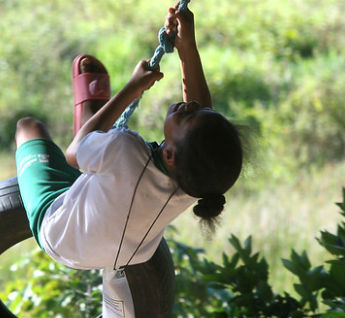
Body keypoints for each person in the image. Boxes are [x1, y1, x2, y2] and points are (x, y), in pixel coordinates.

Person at [14, 3, 242, 270]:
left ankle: (93, 126)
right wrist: (187, 47)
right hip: (127, 257)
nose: (190, 105)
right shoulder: (198, 182)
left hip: (61, 236)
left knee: (28, 127)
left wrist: (131, 89)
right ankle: (96, 137)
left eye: (189, 115)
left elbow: (73, 155)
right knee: (103, 149)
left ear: (169, 154)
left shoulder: (125, 149)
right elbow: (203, 117)